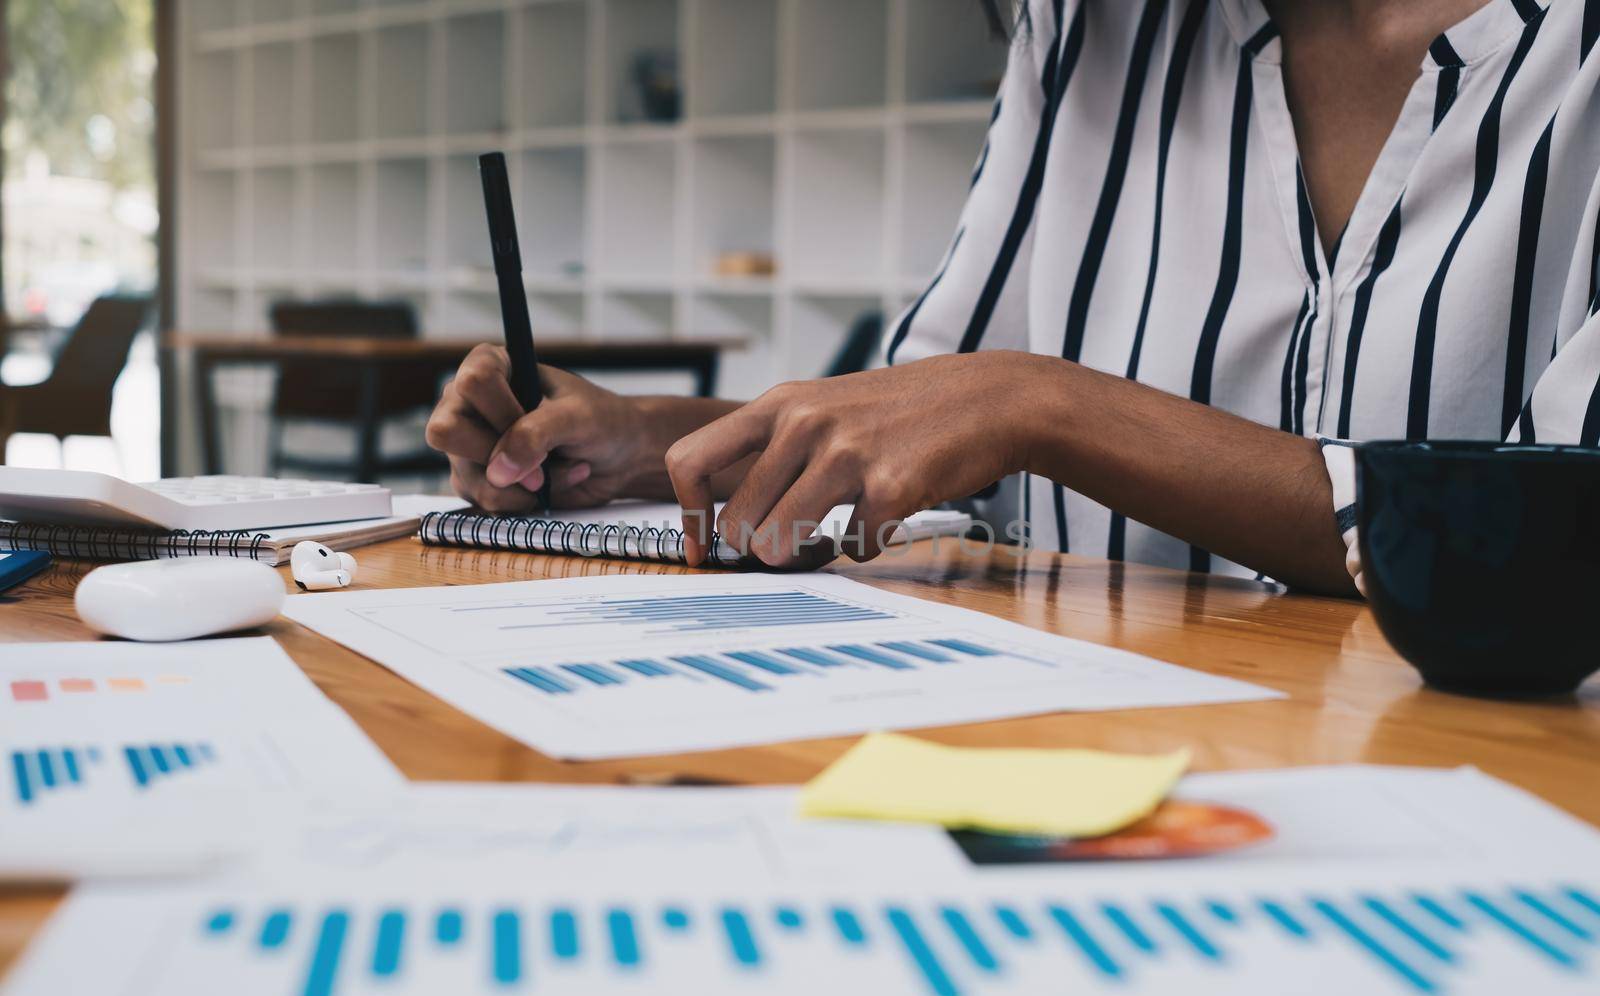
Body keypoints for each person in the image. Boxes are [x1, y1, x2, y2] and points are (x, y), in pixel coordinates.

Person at [427, 0, 1600, 595]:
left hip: (1487, 807)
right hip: (1084, 777)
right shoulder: (1095, 33)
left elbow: (1554, 548)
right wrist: (640, 445)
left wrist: (1047, 405)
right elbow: (925, 430)